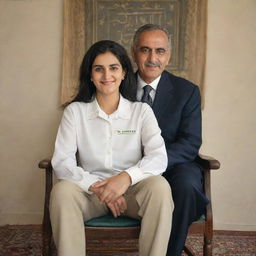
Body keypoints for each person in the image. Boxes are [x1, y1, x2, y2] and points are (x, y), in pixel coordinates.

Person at [50, 40, 173, 256]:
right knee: (61, 191)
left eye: (113, 68)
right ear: (90, 74)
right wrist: (101, 188)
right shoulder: (75, 112)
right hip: (89, 194)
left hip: (132, 194)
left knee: (160, 187)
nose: (107, 75)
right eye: (99, 69)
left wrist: (124, 179)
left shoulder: (141, 112)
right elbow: (62, 162)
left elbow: (158, 158)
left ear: (124, 72)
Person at [131, 24, 209, 256]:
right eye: (145, 50)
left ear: (169, 55)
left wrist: (153, 162)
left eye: (160, 51)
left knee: (187, 186)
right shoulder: (117, 86)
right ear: (134, 52)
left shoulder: (187, 91)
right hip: (126, 164)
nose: (152, 58)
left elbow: (190, 142)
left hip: (173, 164)